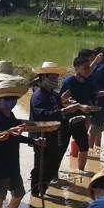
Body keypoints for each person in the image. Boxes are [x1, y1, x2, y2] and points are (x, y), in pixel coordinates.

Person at [0, 80, 34, 208]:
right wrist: (9, 131)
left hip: (12, 161)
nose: (11, 102)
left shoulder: (11, 115)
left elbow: (15, 136)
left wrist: (34, 141)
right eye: (7, 99)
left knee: (19, 193)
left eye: (14, 99)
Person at [28, 62, 67, 198]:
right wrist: (63, 111)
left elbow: (59, 113)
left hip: (54, 134)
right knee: (41, 165)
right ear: (43, 77)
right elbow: (41, 115)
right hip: (41, 136)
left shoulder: (55, 95)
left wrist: (66, 113)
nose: (55, 80)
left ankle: (43, 186)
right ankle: (36, 192)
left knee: (53, 164)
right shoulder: (37, 96)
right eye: (52, 77)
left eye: (56, 77)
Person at [59, 54, 100, 174]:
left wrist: (94, 105)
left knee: (84, 146)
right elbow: (61, 102)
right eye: (85, 67)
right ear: (76, 68)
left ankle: (80, 172)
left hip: (80, 119)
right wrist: (78, 105)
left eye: (89, 67)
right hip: (66, 119)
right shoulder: (69, 82)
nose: (88, 70)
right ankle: (54, 174)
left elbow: (90, 97)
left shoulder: (87, 81)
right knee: (61, 148)